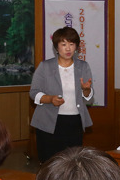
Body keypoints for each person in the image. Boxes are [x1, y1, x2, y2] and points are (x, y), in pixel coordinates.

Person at [29, 27, 94, 164]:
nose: (68, 48)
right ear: (56, 47)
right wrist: (50, 99)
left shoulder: (83, 66)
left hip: (74, 122)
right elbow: (34, 92)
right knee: (49, 162)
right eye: (63, 44)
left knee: (72, 162)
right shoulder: (45, 66)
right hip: (48, 121)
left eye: (72, 44)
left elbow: (87, 96)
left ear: (76, 47)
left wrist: (86, 90)